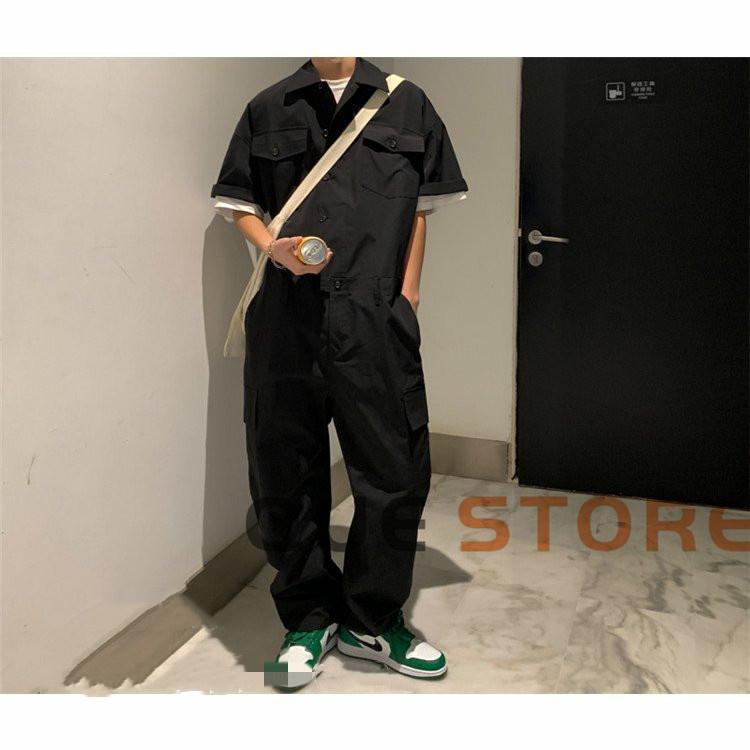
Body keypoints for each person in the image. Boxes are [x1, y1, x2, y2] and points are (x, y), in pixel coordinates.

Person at [211, 57, 468, 687]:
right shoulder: (267, 107)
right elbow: (238, 203)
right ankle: (308, 616)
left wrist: (407, 294)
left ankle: (373, 620)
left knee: (393, 470)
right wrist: (271, 247)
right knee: (285, 468)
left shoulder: (408, 104)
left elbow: (419, 209)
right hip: (286, 317)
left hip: (374, 316)